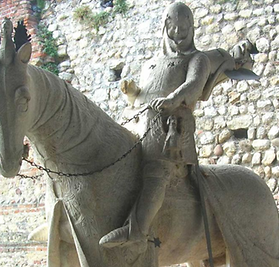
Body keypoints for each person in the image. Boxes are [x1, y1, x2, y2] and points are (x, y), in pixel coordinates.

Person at [99, 2, 253, 251]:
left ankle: (136, 230)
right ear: (165, 28)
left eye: (184, 30)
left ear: (192, 29)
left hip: (173, 129)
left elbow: (194, 85)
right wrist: (132, 92)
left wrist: (173, 99)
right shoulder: (150, 64)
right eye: (174, 30)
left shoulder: (197, 58)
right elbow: (143, 98)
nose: (179, 36)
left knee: (156, 170)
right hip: (141, 125)